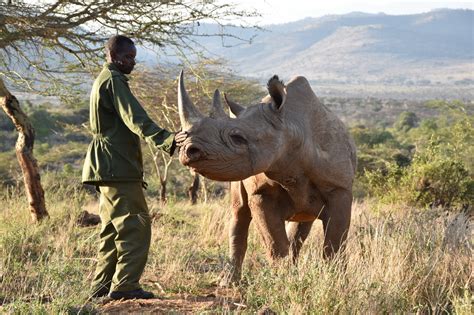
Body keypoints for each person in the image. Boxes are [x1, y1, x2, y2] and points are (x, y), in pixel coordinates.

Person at [82, 35, 185, 300]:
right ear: (114, 56)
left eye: (134, 57)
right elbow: (135, 118)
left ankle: (101, 287)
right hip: (117, 165)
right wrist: (168, 139)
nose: (133, 63)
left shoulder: (104, 78)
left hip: (106, 165)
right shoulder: (115, 81)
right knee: (135, 226)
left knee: (111, 229)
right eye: (128, 58)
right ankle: (126, 287)